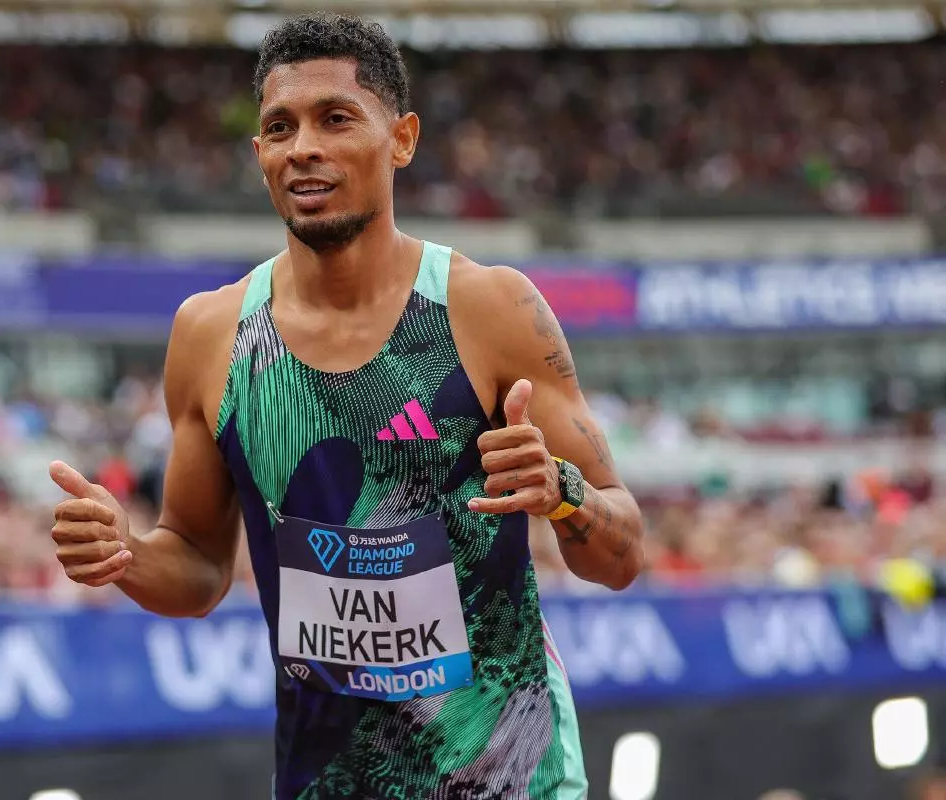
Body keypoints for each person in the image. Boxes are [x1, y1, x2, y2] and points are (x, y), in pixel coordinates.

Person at [48, 13, 644, 799]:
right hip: (327, 780)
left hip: (508, 775)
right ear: (259, 154)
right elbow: (196, 565)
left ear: (401, 138)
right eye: (279, 127)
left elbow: (625, 550)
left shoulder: (490, 309)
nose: (304, 147)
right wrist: (122, 553)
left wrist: (562, 492)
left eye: (335, 119)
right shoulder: (210, 335)